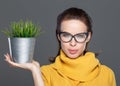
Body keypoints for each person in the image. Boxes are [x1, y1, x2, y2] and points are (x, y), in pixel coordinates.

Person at [4, 7, 116, 86]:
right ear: (58, 36)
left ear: (88, 37)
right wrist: (35, 70)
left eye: (80, 36)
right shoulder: (46, 73)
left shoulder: (106, 74)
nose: (73, 43)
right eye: (66, 35)